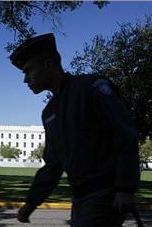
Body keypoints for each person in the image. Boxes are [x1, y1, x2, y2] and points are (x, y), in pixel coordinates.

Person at [10, 33, 140, 226]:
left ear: (48, 64)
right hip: (80, 199)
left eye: (28, 71)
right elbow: (53, 165)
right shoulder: (49, 112)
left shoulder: (91, 88)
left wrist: (125, 188)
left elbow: (125, 134)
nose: (25, 80)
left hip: (105, 195)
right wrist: (31, 203)